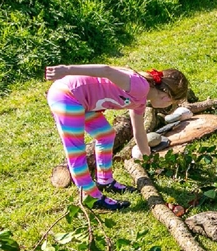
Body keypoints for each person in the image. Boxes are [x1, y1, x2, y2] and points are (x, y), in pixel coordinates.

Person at [46, 65, 189, 210]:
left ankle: (105, 180)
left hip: (84, 102)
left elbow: (139, 132)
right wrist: (67, 70)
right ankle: (90, 196)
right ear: (166, 95)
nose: (168, 106)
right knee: (75, 150)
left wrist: (148, 159)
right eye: (172, 103)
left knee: (106, 135)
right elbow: (106, 71)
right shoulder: (139, 86)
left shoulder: (140, 100)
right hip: (67, 96)